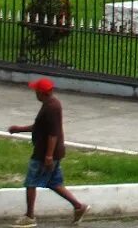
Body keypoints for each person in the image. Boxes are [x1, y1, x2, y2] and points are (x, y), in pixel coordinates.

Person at [8, 77, 88, 226]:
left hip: (44, 153)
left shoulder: (51, 108)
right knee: (54, 182)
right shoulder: (50, 104)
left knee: (31, 182)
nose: (35, 94)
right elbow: (39, 126)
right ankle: (79, 207)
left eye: (36, 91)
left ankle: (29, 217)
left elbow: (53, 134)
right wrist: (19, 129)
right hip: (52, 153)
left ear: (41, 93)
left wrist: (48, 156)